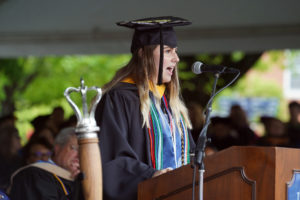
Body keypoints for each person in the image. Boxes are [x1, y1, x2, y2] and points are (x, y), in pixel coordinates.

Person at [95, 16, 195, 200]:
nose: (176, 58)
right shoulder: (120, 98)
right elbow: (110, 157)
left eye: (176, 51)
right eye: (168, 50)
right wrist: (149, 175)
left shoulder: (170, 104)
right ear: (143, 53)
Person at [8, 127, 82, 200]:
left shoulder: (81, 179)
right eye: (74, 148)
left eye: (83, 151)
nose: (79, 155)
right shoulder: (35, 175)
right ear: (57, 148)